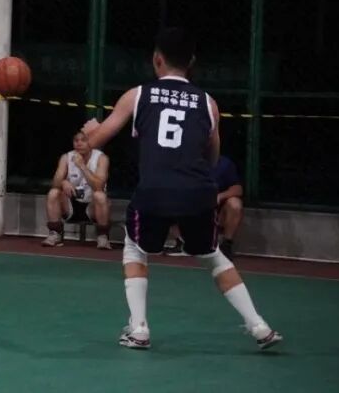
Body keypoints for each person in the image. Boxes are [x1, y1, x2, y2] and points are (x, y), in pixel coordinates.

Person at [82, 27, 280, 351]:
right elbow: (213, 157)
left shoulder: (137, 95)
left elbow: (93, 143)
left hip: (155, 190)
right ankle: (259, 326)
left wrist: (92, 130)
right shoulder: (208, 103)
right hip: (198, 191)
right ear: (191, 62)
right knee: (213, 256)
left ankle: (139, 329)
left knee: (135, 248)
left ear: (156, 59)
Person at [41, 131, 113, 250]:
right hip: (70, 206)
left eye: (83, 140)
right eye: (76, 140)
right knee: (53, 193)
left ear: (91, 142)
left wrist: (82, 166)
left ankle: (102, 237)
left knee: (100, 196)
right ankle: (54, 234)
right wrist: (63, 182)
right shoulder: (66, 157)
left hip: (92, 207)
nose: (79, 143)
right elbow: (55, 183)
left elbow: (99, 186)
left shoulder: (101, 158)